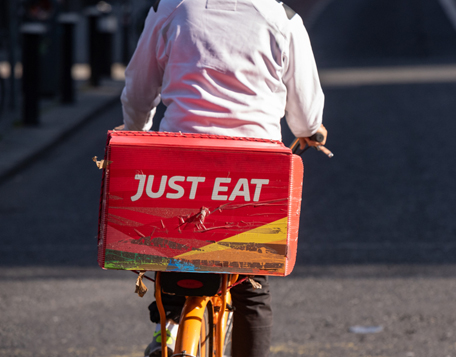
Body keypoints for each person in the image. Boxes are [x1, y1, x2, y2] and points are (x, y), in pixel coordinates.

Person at [119, 1, 327, 356]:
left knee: (168, 247)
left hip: (179, 162)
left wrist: (135, 132)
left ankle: (167, 327)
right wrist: (312, 130)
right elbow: (306, 116)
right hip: (253, 169)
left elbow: (139, 92)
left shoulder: (170, 7)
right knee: (250, 285)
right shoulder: (283, 19)